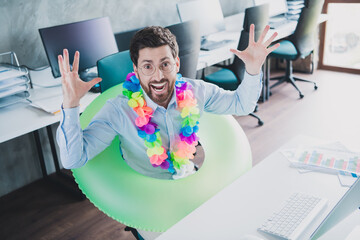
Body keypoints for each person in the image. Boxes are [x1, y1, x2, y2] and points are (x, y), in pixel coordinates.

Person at [56, 24, 278, 239]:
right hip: (147, 201)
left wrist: (253, 69)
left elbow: (242, 105)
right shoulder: (118, 110)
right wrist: (70, 105)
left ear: (177, 63)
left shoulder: (196, 91)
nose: (158, 76)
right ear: (135, 69)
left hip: (188, 181)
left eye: (165, 64)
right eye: (147, 66)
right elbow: (73, 158)